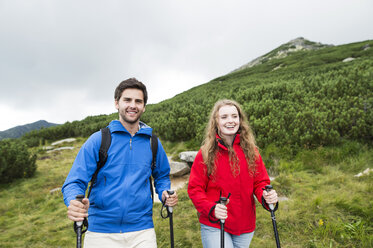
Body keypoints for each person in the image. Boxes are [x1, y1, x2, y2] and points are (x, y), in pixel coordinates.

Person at [62, 78, 178, 248]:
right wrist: (74, 201)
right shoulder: (99, 140)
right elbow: (74, 181)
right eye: (127, 100)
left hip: (142, 231)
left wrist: (164, 193)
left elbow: (161, 176)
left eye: (138, 101)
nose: (133, 105)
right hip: (101, 232)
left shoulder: (152, 142)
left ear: (144, 106)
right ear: (117, 103)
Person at [188, 99, 278, 248]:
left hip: (245, 225)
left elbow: (260, 182)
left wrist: (266, 195)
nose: (230, 121)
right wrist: (211, 208)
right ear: (216, 122)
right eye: (224, 117)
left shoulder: (252, 152)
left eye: (234, 116)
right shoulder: (205, 154)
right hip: (215, 222)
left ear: (240, 120)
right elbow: (195, 189)